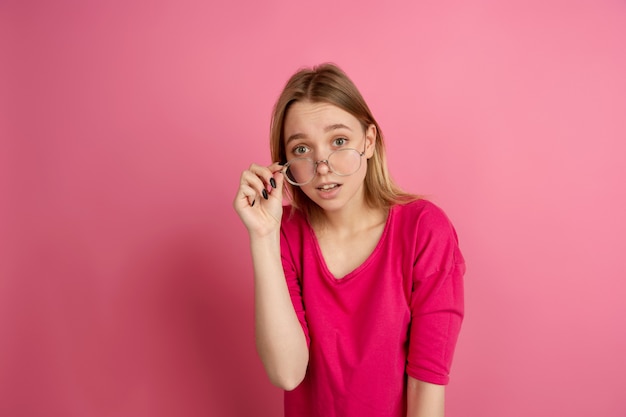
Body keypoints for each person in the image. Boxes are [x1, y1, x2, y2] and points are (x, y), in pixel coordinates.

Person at [233, 63, 465, 417]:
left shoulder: (424, 230)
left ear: (368, 142)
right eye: (301, 150)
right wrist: (263, 235)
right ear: (284, 164)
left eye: (338, 141)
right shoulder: (285, 236)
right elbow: (287, 373)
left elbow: (426, 385)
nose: (322, 165)